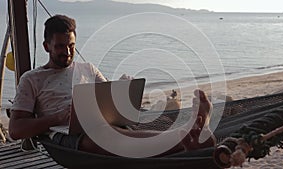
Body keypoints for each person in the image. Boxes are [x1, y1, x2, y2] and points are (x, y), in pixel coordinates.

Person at [8, 15, 215, 156]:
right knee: (109, 137)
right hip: (66, 136)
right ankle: (186, 136)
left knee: (121, 132)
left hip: (103, 126)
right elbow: (16, 130)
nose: (68, 52)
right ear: (47, 47)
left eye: (71, 45)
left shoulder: (88, 68)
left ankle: (187, 135)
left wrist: (124, 90)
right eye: (60, 46)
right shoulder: (32, 79)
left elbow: (109, 102)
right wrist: (58, 117)